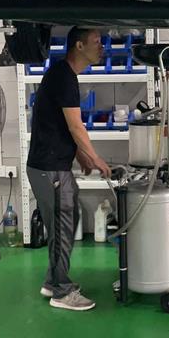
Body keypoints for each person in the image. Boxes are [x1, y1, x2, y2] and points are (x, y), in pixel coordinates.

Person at [27, 27, 112, 312]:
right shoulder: (64, 77)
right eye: (97, 42)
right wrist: (96, 158)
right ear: (79, 45)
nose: (102, 47)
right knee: (62, 228)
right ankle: (61, 292)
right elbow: (76, 127)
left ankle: (53, 281)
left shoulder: (63, 75)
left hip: (53, 167)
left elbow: (61, 127)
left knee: (66, 221)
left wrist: (82, 158)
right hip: (49, 169)